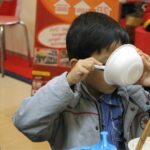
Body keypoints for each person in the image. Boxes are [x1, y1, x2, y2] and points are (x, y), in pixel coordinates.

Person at [13, 12, 150, 150]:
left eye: (119, 62)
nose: (116, 72)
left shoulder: (133, 96)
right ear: (79, 66)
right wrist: (68, 81)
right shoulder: (66, 104)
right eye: (108, 64)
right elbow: (25, 123)